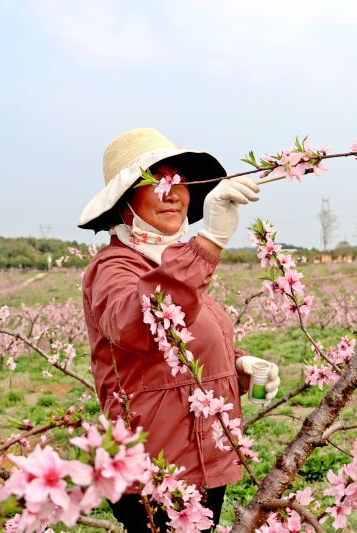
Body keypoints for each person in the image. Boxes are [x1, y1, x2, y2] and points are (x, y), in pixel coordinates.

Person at [77, 128, 281, 532]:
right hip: (158, 471)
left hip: (203, 459)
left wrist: (238, 367)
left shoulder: (172, 262)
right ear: (125, 202)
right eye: (154, 183)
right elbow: (139, 326)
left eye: (178, 182)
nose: (171, 193)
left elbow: (183, 345)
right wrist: (209, 243)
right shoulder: (113, 268)